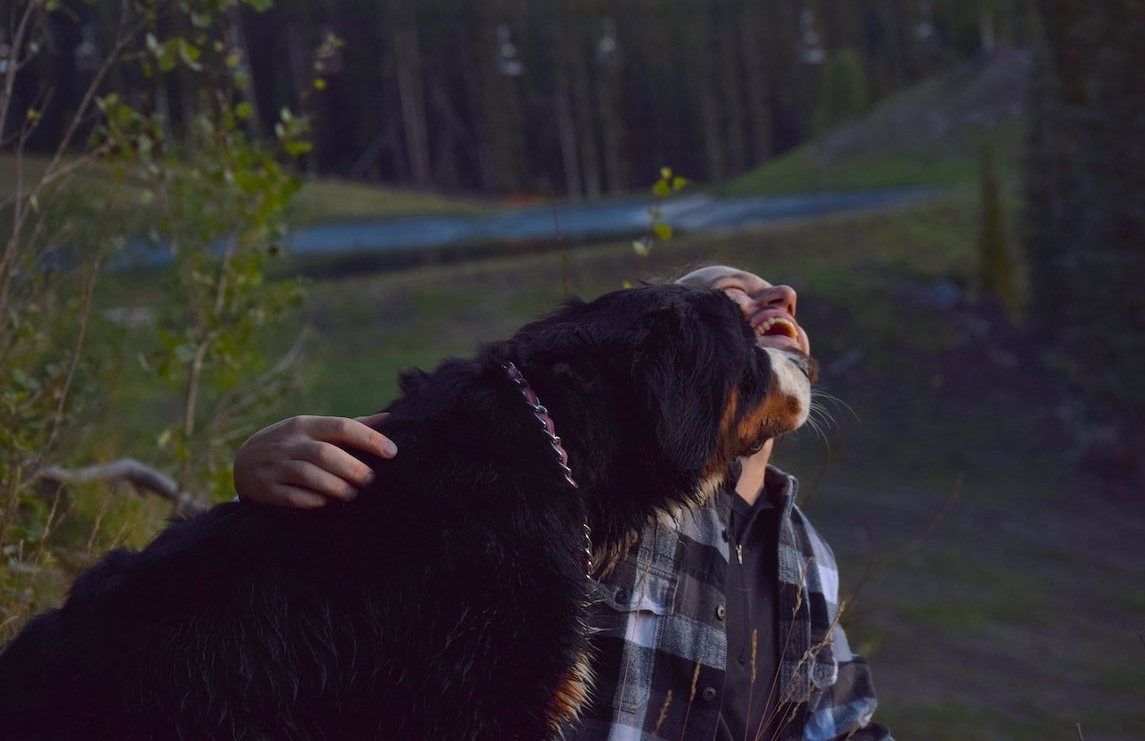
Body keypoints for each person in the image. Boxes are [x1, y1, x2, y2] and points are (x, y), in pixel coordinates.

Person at [232, 265, 893, 741]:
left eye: (774, 295)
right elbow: (385, 521)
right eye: (728, 298)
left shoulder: (810, 559)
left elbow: (835, 720)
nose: (780, 294)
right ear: (675, 360)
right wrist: (257, 471)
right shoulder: (590, 489)